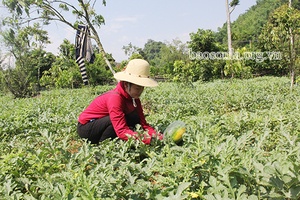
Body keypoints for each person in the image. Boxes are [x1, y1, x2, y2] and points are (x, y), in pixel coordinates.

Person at [77, 59, 163, 145]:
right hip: (87, 128)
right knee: (114, 121)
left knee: (134, 117)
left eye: (142, 87)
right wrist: (147, 140)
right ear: (126, 84)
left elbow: (143, 123)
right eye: (137, 88)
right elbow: (121, 130)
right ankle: (103, 146)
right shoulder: (115, 97)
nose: (140, 91)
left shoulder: (135, 98)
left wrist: (157, 135)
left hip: (101, 123)